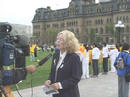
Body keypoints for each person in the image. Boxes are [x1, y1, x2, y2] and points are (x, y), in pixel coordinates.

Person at [44, 30, 82, 97]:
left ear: (68, 42)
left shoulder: (74, 57)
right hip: (56, 93)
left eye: (61, 39)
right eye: (57, 39)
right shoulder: (56, 55)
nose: (57, 41)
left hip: (69, 94)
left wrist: (60, 85)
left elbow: (76, 78)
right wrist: (49, 80)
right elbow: (53, 72)